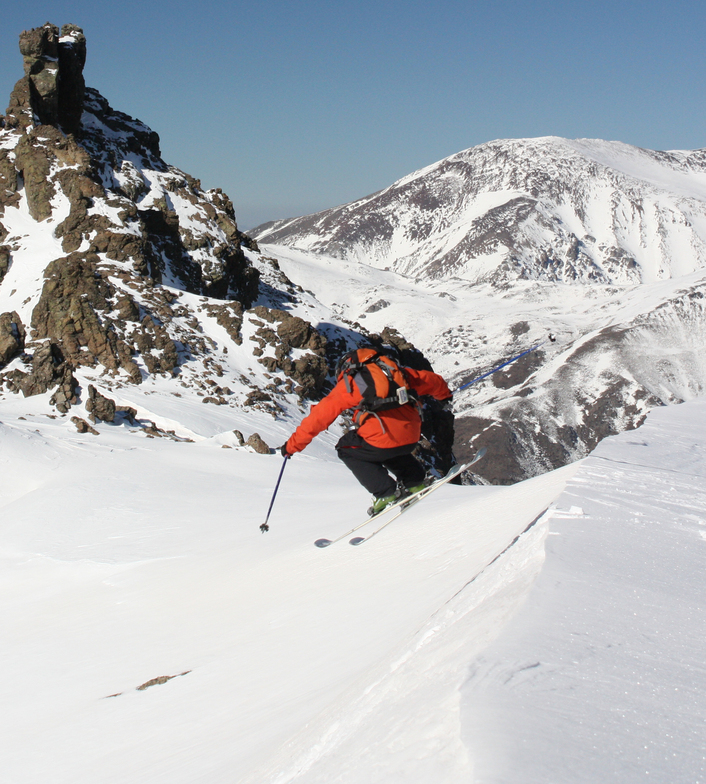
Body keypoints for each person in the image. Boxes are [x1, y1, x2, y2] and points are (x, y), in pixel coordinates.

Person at [280, 345, 453, 516]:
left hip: (382, 438)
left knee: (348, 448)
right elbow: (432, 381)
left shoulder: (353, 383)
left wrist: (291, 447)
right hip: (411, 436)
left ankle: (385, 492)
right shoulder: (397, 372)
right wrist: (444, 397)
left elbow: (318, 417)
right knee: (387, 447)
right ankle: (414, 481)